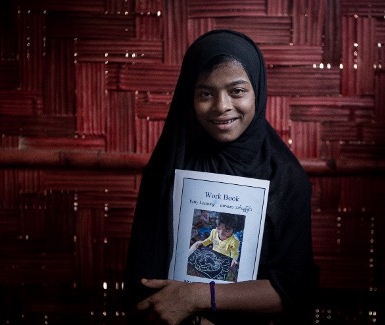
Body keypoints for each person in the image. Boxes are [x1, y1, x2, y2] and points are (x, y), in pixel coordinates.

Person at [123, 29, 319, 325]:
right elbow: (143, 278)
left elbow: (295, 288)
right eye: (205, 93)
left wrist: (197, 297)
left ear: (258, 90)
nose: (221, 106)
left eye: (237, 91)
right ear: (189, 96)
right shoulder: (169, 165)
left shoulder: (285, 178)